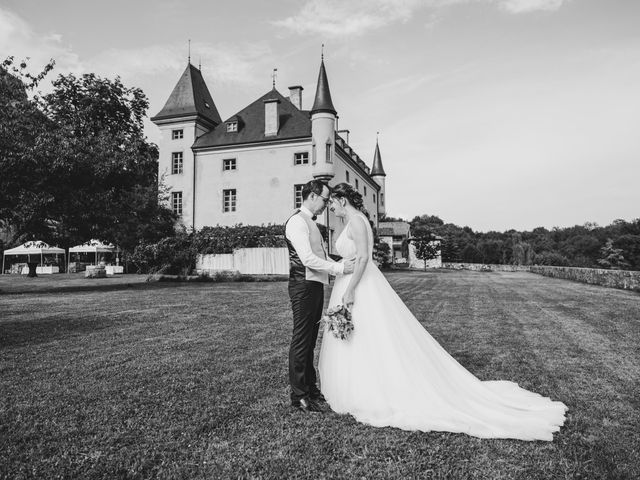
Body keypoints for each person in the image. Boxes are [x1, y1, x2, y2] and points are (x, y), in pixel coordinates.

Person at [318, 183, 567, 441]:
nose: (332, 207)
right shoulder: (355, 220)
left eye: (333, 202)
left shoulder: (357, 221)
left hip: (358, 283)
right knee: (363, 335)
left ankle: (372, 389)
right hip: (349, 280)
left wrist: (351, 290)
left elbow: (362, 259)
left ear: (342, 199)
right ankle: (360, 385)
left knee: (368, 333)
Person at [285, 180, 355, 413]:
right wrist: (339, 269)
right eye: (325, 199)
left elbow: (320, 255)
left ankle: (310, 388)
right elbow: (307, 259)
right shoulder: (297, 222)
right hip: (303, 286)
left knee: (311, 339)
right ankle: (299, 396)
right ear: (312, 196)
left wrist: (342, 263)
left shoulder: (310, 223)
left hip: (313, 285)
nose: (326, 204)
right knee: (302, 339)